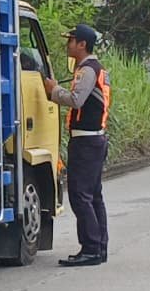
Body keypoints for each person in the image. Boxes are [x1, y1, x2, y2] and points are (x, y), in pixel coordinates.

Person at [43, 23, 111, 267]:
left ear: (82, 44)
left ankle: (91, 248)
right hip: (95, 138)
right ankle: (99, 246)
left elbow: (76, 100)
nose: (68, 44)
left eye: (71, 40)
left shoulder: (87, 70)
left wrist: (53, 90)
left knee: (80, 195)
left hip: (86, 140)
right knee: (93, 195)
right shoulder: (96, 68)